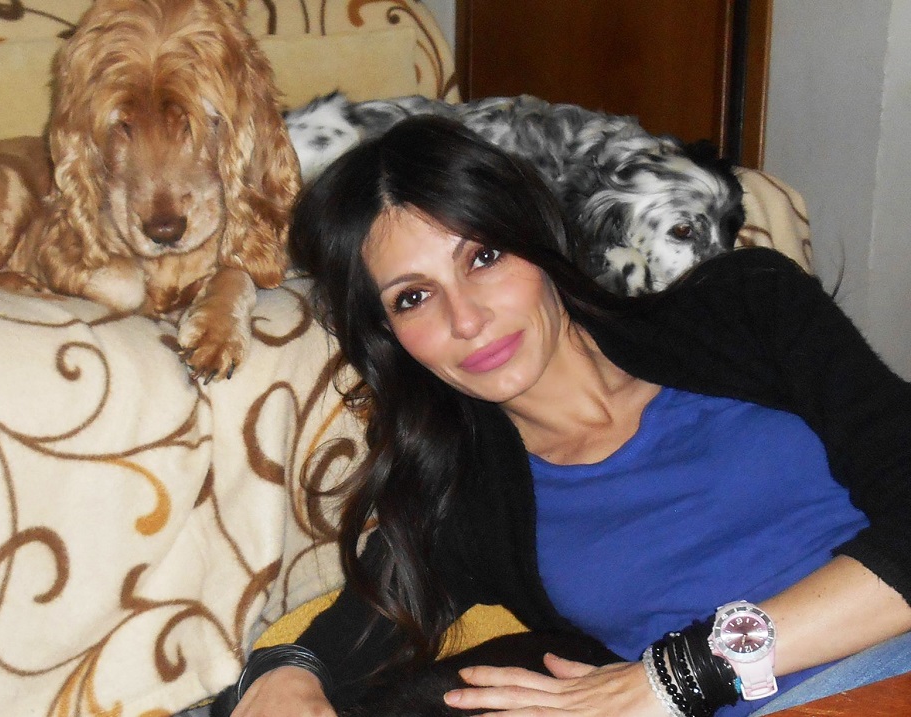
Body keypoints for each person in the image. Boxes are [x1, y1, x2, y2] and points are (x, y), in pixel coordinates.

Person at [225, 116, 911, 717]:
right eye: (413, 297)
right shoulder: (471, 496)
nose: (467, 318)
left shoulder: (746, 309)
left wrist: (675, 676)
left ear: (536, 238)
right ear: (389, 336)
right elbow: (339, 638)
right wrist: (285, 670)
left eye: (483, 257)